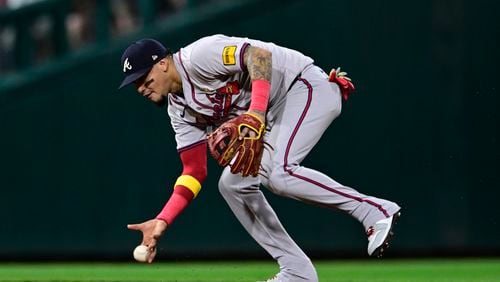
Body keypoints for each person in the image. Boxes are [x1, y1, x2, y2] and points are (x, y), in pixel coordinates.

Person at [120, 35, 401, 282]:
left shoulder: (198, 56)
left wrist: (255, 113)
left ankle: (374, 210)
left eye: (144, 78)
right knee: (232, 186)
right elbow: (194, 171)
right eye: (134, 85)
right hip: (272, 116)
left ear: (163, 64)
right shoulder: (179, 111)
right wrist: (163, 220)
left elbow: (258, 55)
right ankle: (296, 272)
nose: (141, 88)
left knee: (279, 174)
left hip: (302, 87)